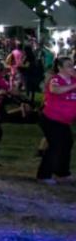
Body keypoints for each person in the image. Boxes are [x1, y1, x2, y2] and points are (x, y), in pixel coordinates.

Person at [38, 56, 75, 184]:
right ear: (60, 68)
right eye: (68, 66)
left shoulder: (73, 80)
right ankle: (44, 175)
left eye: (72, 65)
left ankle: (62, 172)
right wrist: (73, 85)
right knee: (54, 145)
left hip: (64, 121)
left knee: (67, 143)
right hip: (50, 119)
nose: (72, 68)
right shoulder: (55, 79)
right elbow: (55, 90)